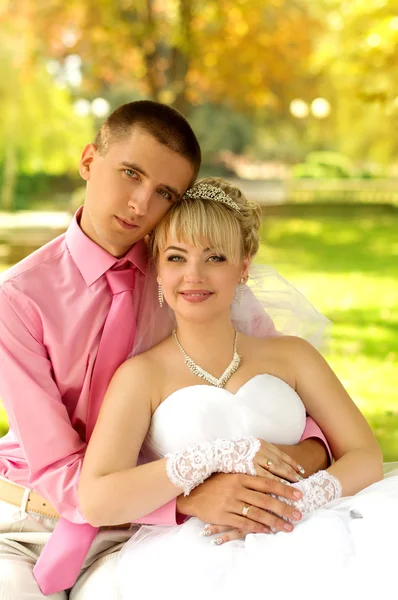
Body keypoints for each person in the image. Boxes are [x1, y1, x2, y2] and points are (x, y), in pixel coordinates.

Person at [0, 102, 330, 600]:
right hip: (34, 519)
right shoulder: (17, 299)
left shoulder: (187, 276)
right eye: (130, 174)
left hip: (152, 531)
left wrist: (297, 456)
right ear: (89, 161)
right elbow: (57, 470)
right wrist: (189, 499)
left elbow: (275, 381)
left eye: (164, 193)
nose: (139, 204)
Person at [79, 177, 398, 600]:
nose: (194, 275)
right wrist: (212, 456)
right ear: (158, 267)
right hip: (196, 553)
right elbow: (98, 498)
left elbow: (365, 455)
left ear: (243, 265)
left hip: (312, 525)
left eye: (214, 257)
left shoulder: (292, 357)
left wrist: (297, 501)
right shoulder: (141, 376)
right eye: (177, 257)